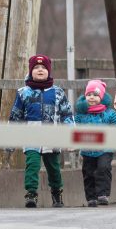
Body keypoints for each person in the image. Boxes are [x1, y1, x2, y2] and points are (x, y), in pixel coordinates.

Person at [9, 55, 74, 208]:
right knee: (32, 165)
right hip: (31, 136)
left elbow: (67, 115)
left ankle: (56, 193)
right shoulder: (23, 93)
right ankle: (31, 194)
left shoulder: (58, 93)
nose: (40, 70)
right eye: (36, 68)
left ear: (49, 71)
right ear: (31, 71)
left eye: (43, 68)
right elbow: (15, 116)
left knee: (54, 168)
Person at [74, 80, 116, 207]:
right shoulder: (81, 115)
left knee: (103, 168)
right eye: (89, 95)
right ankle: (91, 197)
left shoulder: (109, 114)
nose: (92, 97)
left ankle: (102, 194)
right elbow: (74, 128)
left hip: (105, 149)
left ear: (102, 97)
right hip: (87, 149)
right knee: (88, 172)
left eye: (95, 94)